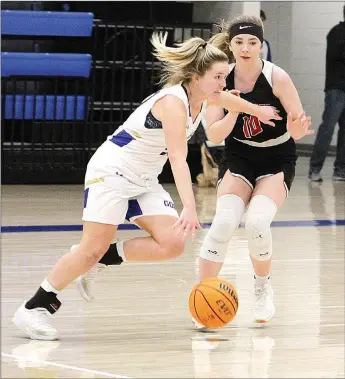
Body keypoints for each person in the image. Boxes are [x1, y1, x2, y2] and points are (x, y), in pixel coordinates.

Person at [13, 32, 280, 340]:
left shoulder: (203, 94)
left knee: (172, 243)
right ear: (196, 76)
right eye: (218, 77)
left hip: (142, 179)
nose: (223, 83)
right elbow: (179, 160)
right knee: (90, 248)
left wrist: (258, 111)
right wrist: (190, 208)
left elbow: (227, 98)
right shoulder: (174, 103)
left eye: (224, 76)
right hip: (112, 173)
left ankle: (102, 258)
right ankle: (34, 308)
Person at [196, 15, 313, 326]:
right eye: (239, 42)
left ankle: (262, 290)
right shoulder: (222, 78)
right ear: (231, 45)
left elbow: (298, 130)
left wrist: (297, 127)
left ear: (262, 46)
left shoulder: (278, 78)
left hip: (277, 159)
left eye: (252, 42)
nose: (245, 47)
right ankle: (202, 296)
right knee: (223, 222)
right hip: (239, 157)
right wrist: (235, 109)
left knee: (258, 222)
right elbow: (216, 135)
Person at [309, 6, 345, 182]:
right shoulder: (336, 33)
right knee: (327, 129)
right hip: (336, 89)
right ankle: (315, 168)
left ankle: (340, 170)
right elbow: (337, 56)